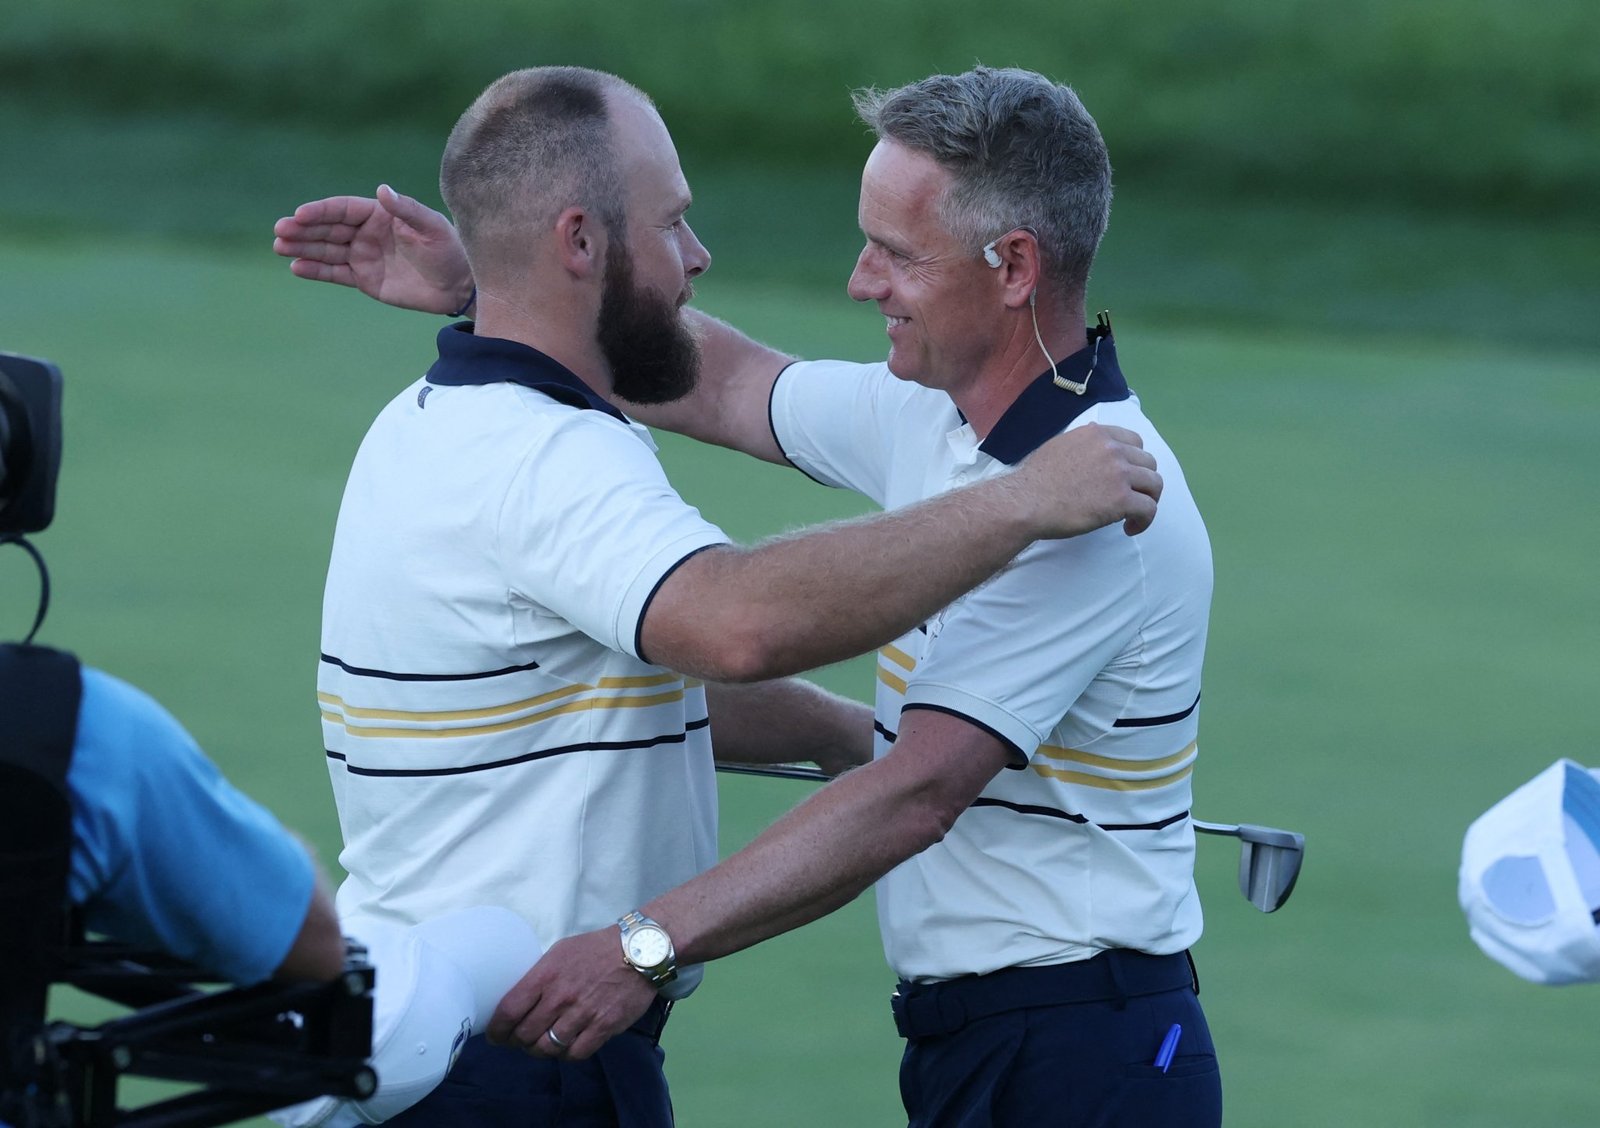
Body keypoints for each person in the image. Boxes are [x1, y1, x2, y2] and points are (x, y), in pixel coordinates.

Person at [275, 66, 1165, 1126]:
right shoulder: (545, 461)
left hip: (447, 1035)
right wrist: (1022, 504)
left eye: (892, 251)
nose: (699, 256)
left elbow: (599, 680)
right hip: (522, 1061)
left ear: (1012, 265)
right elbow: (736, 624)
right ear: (579, 244)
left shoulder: (421, 423)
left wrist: (499, 290)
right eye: (674, 223)